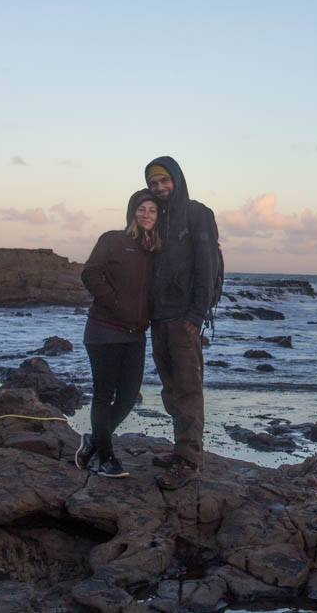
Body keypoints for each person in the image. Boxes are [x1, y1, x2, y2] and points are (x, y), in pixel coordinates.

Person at [75, 189, 161, 478]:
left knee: (127, 397)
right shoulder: (113, 240)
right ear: (132, 212)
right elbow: (90, 273)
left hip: (136, 334)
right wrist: (115, 304)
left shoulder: (156, 250)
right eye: (142, 209)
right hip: (104, 330)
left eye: (152, 210)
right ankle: (106, 458)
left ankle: (94, 441)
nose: (146, 214)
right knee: (103, 394)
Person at [144, 156, 218, 490]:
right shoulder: (157, 217)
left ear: (176, 179)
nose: (159, 188)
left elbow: (207, 267)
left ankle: (189, 462)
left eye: (164, 181)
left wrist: (196, 315)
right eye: (153, 183)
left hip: (184, 320)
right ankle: (181, 450)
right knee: (171, 390)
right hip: (158, 319)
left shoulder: (197, 213)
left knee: (188, 390)